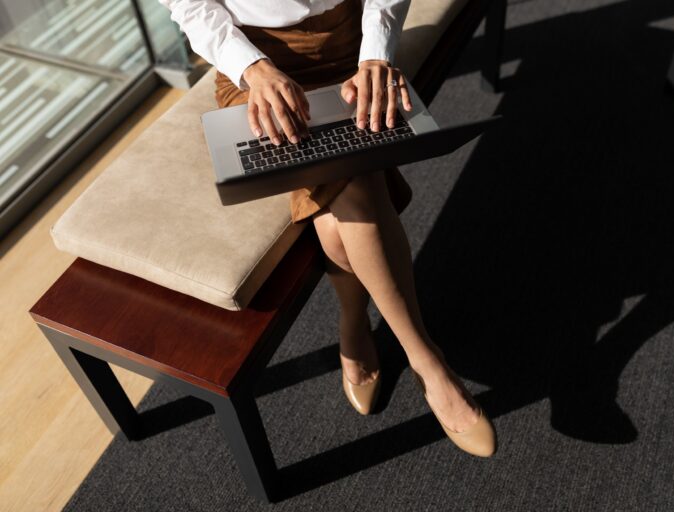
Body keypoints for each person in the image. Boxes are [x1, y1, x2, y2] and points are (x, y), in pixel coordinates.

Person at [159, 0, 496, 457]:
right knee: (356, 184)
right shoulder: (253, 66)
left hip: (349, 45)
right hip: (257, 66)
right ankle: (428, 363)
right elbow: (190, 5)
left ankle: (354, 325)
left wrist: (377, 51)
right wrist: (253, 68)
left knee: (340, 215)